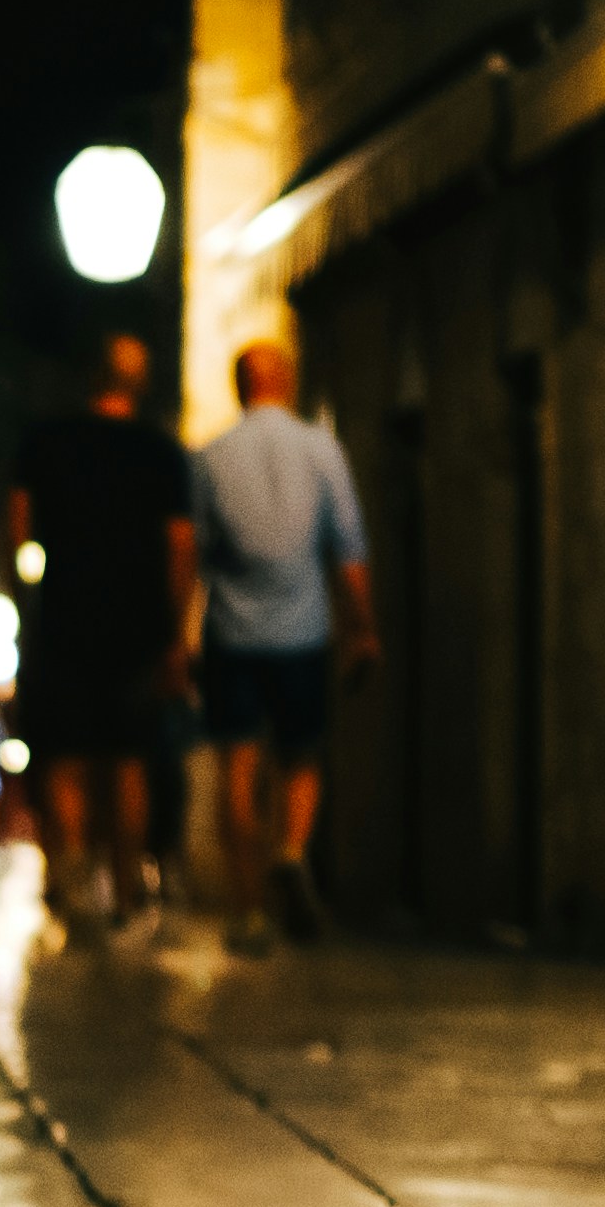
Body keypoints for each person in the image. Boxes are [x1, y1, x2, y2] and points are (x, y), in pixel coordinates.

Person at [9, 332, 197, 941]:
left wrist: (26, 601)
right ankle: (124, 893)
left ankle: (72, 884)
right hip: (139, 627)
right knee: (129, 759)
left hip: (63, 620)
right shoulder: (160, 452)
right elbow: (180, 548)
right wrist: (176, 631)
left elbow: (16, 532)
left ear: (92, 377)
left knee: (65, 757)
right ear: (139, 383)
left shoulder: (45, 442)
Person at [191, 334, 376, 948]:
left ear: (239, 386)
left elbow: (190, 553)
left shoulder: (211, 457)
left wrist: (180, 634)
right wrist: (363, 628)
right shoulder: (322, 450)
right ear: (286, 383)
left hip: (233, 632)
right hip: (304, 630)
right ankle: (292, 851)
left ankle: (248, 910)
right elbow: (348, 550)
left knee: (237, 768)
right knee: (301, 757)